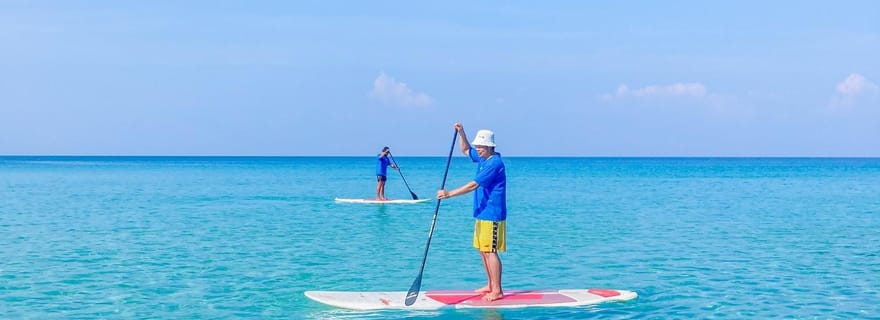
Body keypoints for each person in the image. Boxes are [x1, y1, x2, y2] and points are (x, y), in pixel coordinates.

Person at [437, 123, 507, 301]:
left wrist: (449, 194)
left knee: (490, 251)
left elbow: (474, 184)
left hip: (493, 213)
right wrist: (461, 133)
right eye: (478, 146)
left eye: (480, 147)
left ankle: (497, 290)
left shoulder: (495, 163)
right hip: (481, 212)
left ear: (490, 147)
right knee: (482, 250)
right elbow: (465, 150)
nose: (478, 149)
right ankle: (490, 284)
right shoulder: (483, 158)